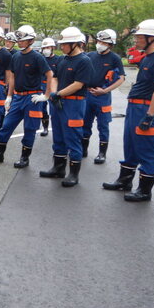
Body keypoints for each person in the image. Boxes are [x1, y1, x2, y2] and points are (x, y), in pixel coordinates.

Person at [103, 19, 154, 202]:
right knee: (131, 145)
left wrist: (149, 116)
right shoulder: (147, 58)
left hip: (145, 108)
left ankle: (145, 190)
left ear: (151, 38)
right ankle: (125, 181)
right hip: (134, 106)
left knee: (146, 149)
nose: (136, 40)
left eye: (139, 37)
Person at [0, 25, 52, 168]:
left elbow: (49, 74)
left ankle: (24, 158)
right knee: (6, 126)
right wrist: (9, 96)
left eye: (23, 40)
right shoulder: (16, 56)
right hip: (18, 97)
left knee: (29, 129)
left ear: (31, 41)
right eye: (19, 40)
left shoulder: (37, 57)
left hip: (32, 99)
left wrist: (45, 96)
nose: (19, 42)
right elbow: (13, 77)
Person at [39, 26, 92, 187]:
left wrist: (59, 94)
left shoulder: (84, 61)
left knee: (73, 137)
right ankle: (58, 168)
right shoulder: (62, 60)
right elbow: (54, 77)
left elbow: (79, 84)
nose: (61, 47)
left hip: (74, 103)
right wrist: (54, 93)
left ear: (75, 44)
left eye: (64, 44)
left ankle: (73, 174)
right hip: (59, 101)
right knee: (59, 136)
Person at [82, 29, 125, 164]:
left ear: (110, 44)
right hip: (88, 94)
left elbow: (121, 78)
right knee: (85, 123)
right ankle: (83, 149)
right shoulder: (90, 56)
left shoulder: (115, 58)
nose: (100, 44)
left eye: (103, 42)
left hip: (103, 97)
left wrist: (105, 90)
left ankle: (102, 153)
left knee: (103, 125)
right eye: (99, 41)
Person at [39, 37, 61, 137]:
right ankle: (45, 128)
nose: (46, 50)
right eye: (44, 48)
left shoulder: (58, 59)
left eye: (48, 47)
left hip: (53, 86)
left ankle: (57, 127)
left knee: (53, 107)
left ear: (52, 47)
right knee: (42, 107)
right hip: (42, 85)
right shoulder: (40, 59)